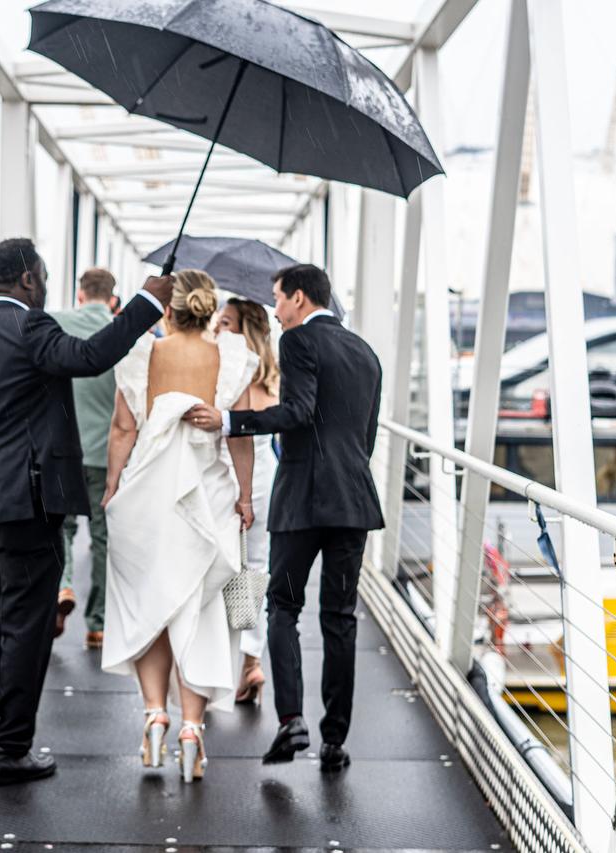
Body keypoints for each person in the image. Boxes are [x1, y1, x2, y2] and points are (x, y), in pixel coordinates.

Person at [0, 237, 173, 787]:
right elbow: (89, 359)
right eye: (41, 275)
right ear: (26, 280)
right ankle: (10, 749)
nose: (44, 285)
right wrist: (146, 303)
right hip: (29, 499)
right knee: (26, 624)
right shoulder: (32, 329)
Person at [184, 264, 383, 774]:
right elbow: (365, 436)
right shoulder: (366, 353)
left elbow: (298, 412)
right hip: (353, 502)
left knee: (283, 607)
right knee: (339, 619)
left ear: (299, 297)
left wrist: (230, 420)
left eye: (278, 298)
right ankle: (335, 740)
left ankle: (291, 719)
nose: (275, 308)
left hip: (301, 502)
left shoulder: (296, 342)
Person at [102, 269, 258, 783]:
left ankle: (154, 715)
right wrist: (246, 494)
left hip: (148, 488)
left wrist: (111, 486)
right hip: (207, 490)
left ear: (166, 308)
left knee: (150, 600)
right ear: (210, 309)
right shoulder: (229, 357)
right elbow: (238, 435)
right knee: (201, 607)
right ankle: (192, 728)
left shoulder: (141, 354)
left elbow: (124, 428)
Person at [51, 267, 121, 649]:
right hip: (104, 453)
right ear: (112, 299)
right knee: (102, 539)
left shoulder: (57, 324)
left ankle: (61, 587)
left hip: (63, 449)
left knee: (60, 528)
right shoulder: (123, 331)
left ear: (80, 295)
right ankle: (98, 623)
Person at [215, 297, 280, 704]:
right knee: (256, 567)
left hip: (230, 471)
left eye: (225, 322)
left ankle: (220, 660)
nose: (219, 329)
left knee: (221, 565)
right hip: (265, 476)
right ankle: (250, 663)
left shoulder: (233, 371)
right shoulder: (273, 375)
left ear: (242, 329)